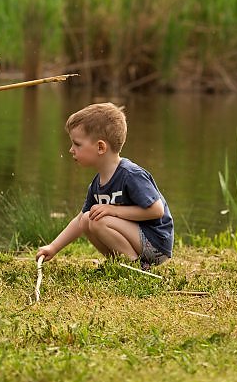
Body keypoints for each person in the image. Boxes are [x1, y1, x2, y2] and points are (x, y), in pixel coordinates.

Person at [36, 102, 173, 269]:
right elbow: (80, 219)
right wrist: (53, 247)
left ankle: (134, 266)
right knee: (88, 219)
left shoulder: (130, 174)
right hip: (136, 241)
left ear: (100, 147)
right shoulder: (97, 183)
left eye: (77, 144)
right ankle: (119, 264)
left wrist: (113, 210)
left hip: (156, 243)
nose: (71, 150)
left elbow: (156, 210)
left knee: (98, 221)